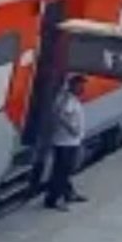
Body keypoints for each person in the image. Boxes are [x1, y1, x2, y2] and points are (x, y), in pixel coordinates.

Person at [45, 74, 89, 212]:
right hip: (64, 142)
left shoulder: (72, 98)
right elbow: (59, 114)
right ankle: (54, 199)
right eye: (80, 85)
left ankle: (68, 193)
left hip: (71, 141)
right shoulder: (66, 99)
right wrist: (72, 128)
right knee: (61, 171)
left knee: (66, 170)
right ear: (72, 85)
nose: (82, 88)